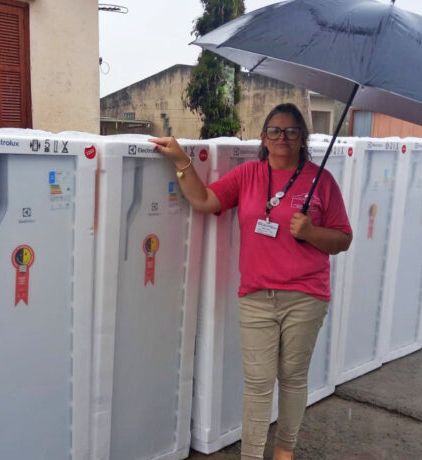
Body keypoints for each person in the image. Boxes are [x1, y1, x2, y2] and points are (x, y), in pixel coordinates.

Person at [150, 103, 352, 460]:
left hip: (306, 296)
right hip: (257, 296)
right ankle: (252, 455)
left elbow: (342, 240)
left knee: (291, 377)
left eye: (291, 131)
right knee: (258, 384)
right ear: (263, 136)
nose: (282, 138)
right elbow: (205, 199)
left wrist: (312, 232)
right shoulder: (248, 175)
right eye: (275, 130)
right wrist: (182, 162)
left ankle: (284, 450)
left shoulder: (322, 181)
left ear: (302, 137)